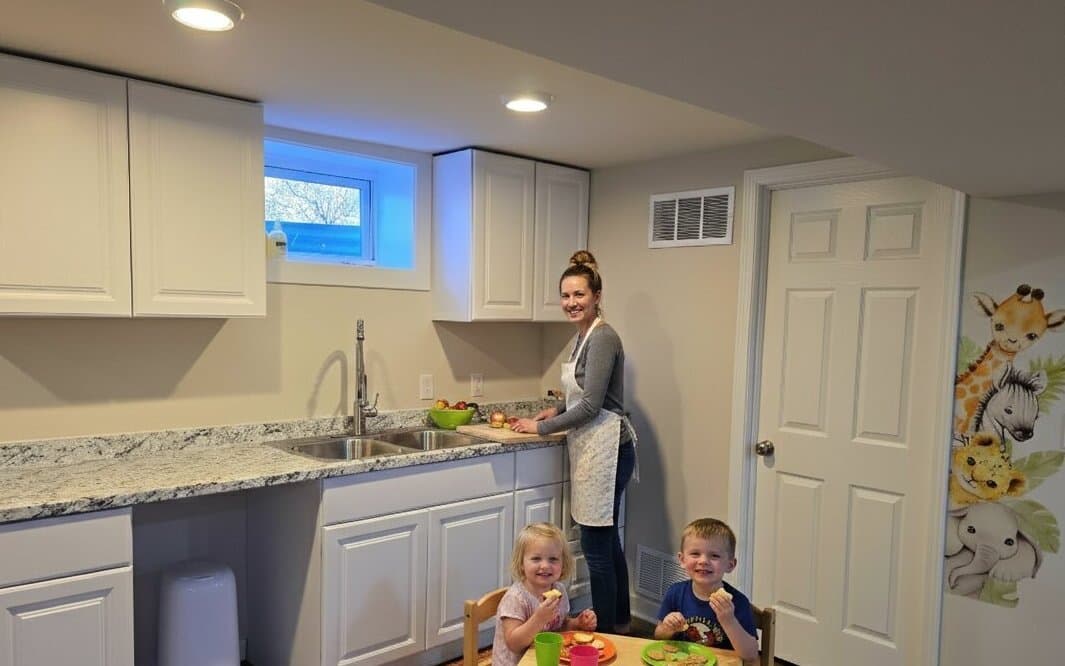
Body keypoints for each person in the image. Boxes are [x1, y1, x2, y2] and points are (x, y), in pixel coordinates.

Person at [512, 250, 637, 634]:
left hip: (608, 449)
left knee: (597, 548)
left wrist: (540, 429)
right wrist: (554, 410)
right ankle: (621, 624)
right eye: (565, 296)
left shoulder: (603, 337)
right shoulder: (583, 336)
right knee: (606, 542)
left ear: (597, 295)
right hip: (594, 447)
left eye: (579, 294)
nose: (571, 302)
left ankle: (606, 635)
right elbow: (580, 395)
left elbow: (592, 405)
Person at [654, 518, 759, 661]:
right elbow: (658, 636)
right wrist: (667, 628)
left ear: (730, 565)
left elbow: (751, 655)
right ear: (682, 560)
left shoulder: (738, 602)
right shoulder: (675, 593)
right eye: (695, 554)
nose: (703, 561)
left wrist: (729, 621)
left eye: (714, 556)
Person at [492, 523, 597, 666]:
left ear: (563, 563)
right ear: (521, 563)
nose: (545, 566)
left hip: (546, 659)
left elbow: (559, 627)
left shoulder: (559, 590)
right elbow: (514, 644)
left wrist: (577, 623)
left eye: (553, 559)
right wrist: (539, 619)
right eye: (536, 559)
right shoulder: (515, 598)